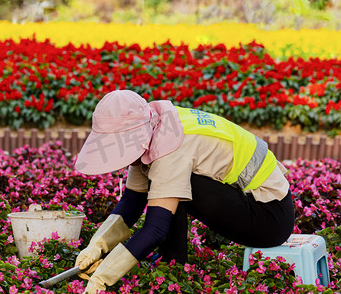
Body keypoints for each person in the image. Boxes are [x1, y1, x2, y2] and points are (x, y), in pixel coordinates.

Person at [73, 90, 295, 293]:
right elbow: (132, 202)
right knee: (165, 181)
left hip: (269, 218)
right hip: (253, 204)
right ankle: (172, 262)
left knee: (169, 181)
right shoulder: (155, 125)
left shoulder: (170, 148)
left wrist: (105, 276)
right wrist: (97, 246)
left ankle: (174, 264)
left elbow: (155, 228)